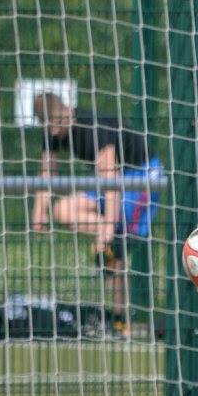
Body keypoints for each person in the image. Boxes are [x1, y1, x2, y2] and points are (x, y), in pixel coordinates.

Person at [31, 91, 160, 323]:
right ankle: (110, 238)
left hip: (142, 176)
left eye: (56, 124)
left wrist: (109, 225)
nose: (53, 132)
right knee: (62, 210)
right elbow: (47, 171)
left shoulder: (93, 127)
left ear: (66, 111)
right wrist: (39, 211)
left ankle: (121, 318)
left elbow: (111, 177)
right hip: (113, 181)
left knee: (113, 247)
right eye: (47, 126)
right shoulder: (51, 131)